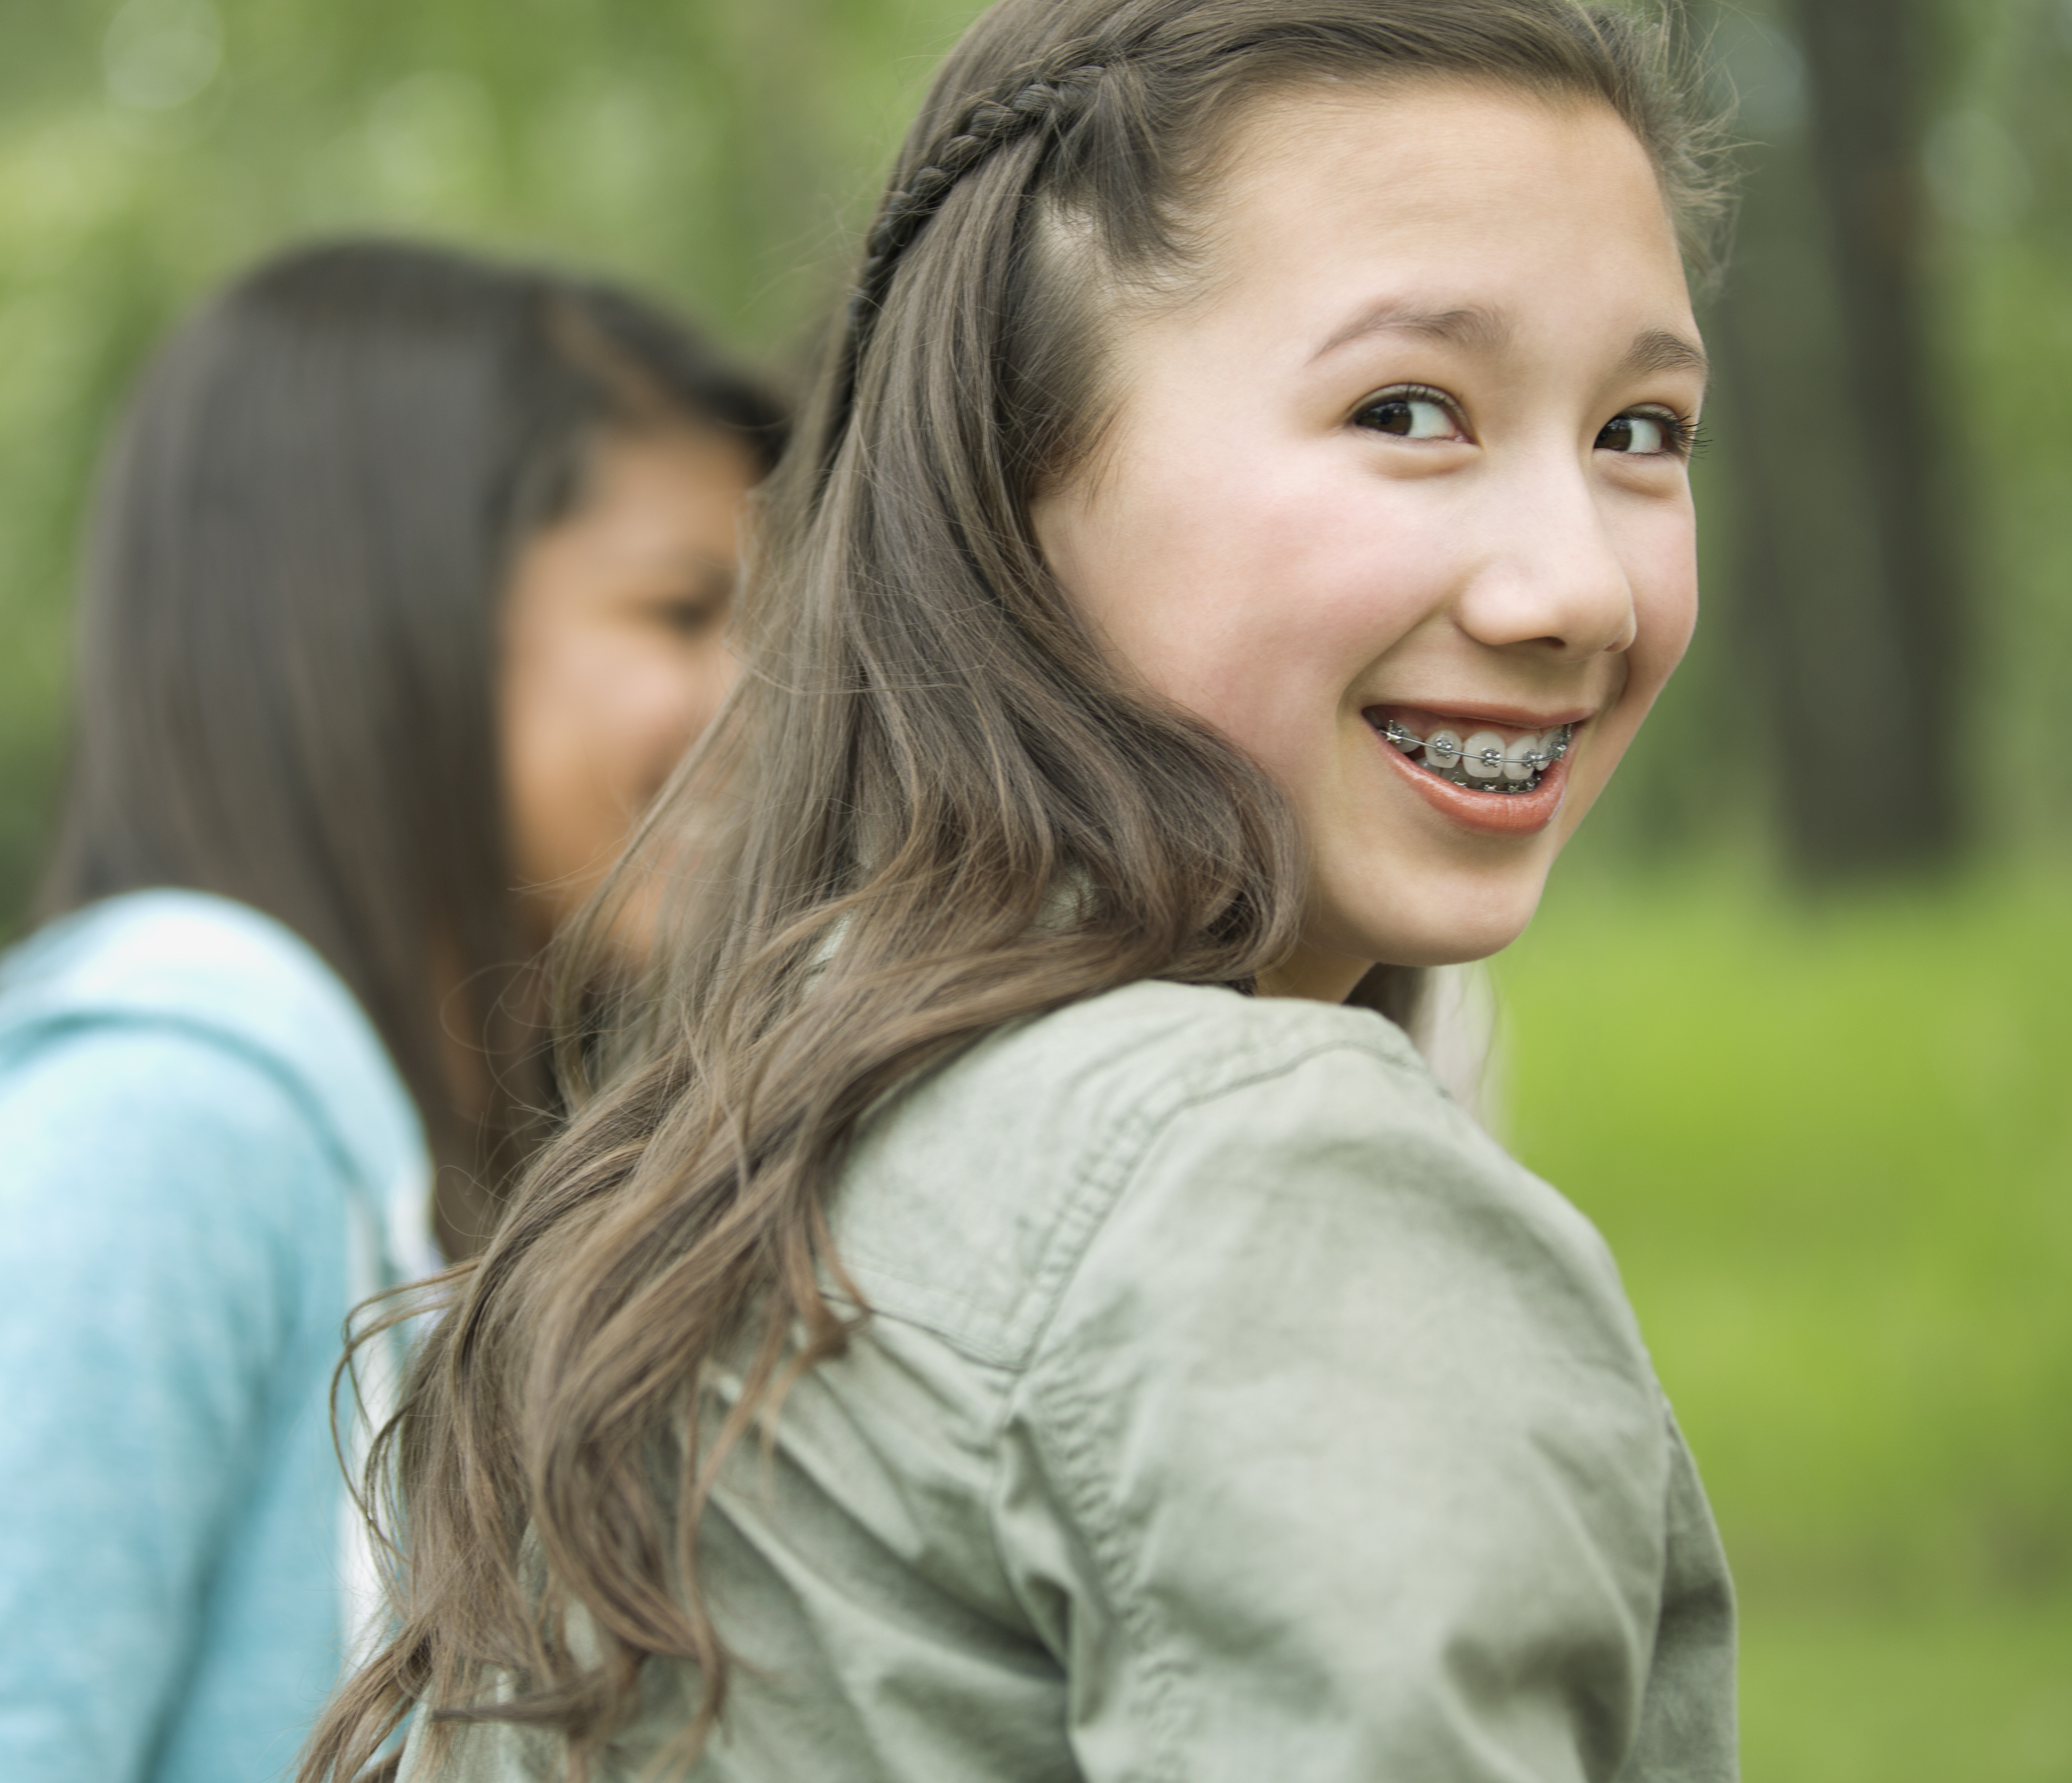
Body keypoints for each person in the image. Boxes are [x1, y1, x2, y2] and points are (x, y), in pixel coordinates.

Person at [306, 3, 1740, 1780]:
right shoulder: (1249, 1186)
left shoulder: (751, 1127)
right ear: (1025, 465)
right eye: (1410, 409)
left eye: (1644, 432)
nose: (1578, 590)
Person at [0, 239, 785, 1783]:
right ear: (391, 616)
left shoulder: (378, 1143)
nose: (760, 697)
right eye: (682, 614)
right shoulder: (142, 1139)